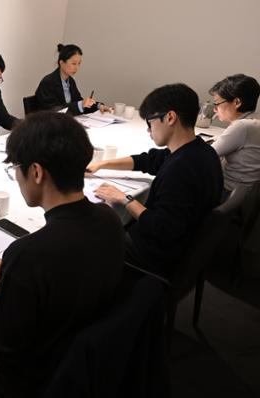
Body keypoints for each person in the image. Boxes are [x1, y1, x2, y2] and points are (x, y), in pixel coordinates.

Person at [0, 112, 125, 397]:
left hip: (35, 376)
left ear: (36, 172)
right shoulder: (109, 220)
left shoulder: (28, 253)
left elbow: (2, 343)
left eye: (15, 168)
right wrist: (10, 267)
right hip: (87, 359)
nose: (16, 177)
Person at [89, 83, 223, 282]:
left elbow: (161, 228)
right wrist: (103, 163)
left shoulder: (181, 170)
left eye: (150, 123)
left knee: (89, 236)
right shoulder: (201, 151)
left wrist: (124, 198)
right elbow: (149, 160)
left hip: (156, 257)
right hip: (183, 247)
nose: (148, 131)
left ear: (170, 117)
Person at [209, 74, 260, 194]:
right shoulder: (253, 122)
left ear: (236, 102)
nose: (214, 109)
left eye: (217, 103)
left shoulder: (242, 126)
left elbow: (207, 155)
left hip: (227, 192)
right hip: (245, 194)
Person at [35, 43, 111, 115]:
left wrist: (98, 106)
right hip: (48, 124)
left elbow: (78, 101)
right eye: (73, 63)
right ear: (61, 63)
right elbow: (55, 111)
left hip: (65, 122)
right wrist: (80, 104)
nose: (76, 68)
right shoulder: (48, 82)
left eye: (79, 63)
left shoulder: (70, 81)